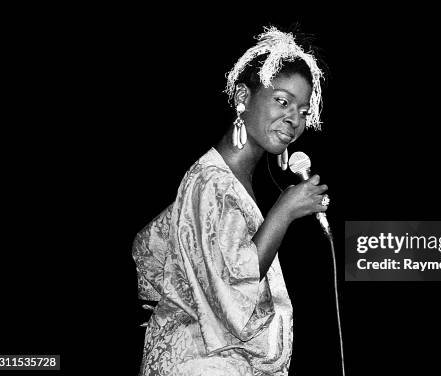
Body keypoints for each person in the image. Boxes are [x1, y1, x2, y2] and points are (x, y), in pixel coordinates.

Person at [132, 26, 329, 376]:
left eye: (302, 109)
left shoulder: (228, 181)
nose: (294, 119)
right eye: (282, 101)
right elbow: (233, 292)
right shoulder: (212, 182)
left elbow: (152, 249)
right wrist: (283, 213)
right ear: (243, 97)